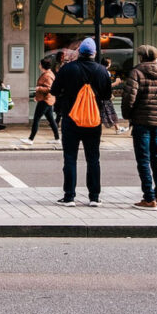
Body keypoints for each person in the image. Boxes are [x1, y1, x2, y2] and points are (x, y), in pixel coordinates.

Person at [51, 38, 112, 206]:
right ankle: (94, 197)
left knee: (70, 158)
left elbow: (54, 90)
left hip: (71, 118)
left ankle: (69, 196)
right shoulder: (102, 71)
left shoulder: (67, 69)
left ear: (79, 52)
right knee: (93, 159)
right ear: (94, 53)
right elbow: (107, 96)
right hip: (93, 120)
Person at [122, 44, 157, 208]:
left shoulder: (137, 71)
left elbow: (130, 96)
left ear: (141, 57)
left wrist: (127, 114)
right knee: (156, 156)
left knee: (143, 159)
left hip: (141, 120)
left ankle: (148, 197)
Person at [23, 57, 60, 144]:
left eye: (40, 64)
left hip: (45, 100)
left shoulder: (48, 75)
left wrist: (38, 88)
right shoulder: (47, 73)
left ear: (42, 65)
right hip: (47, 100)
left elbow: (49, 88)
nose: (39, 65)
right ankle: (57, 139)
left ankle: (30, 139)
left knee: (36, 119)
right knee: (51, 120)